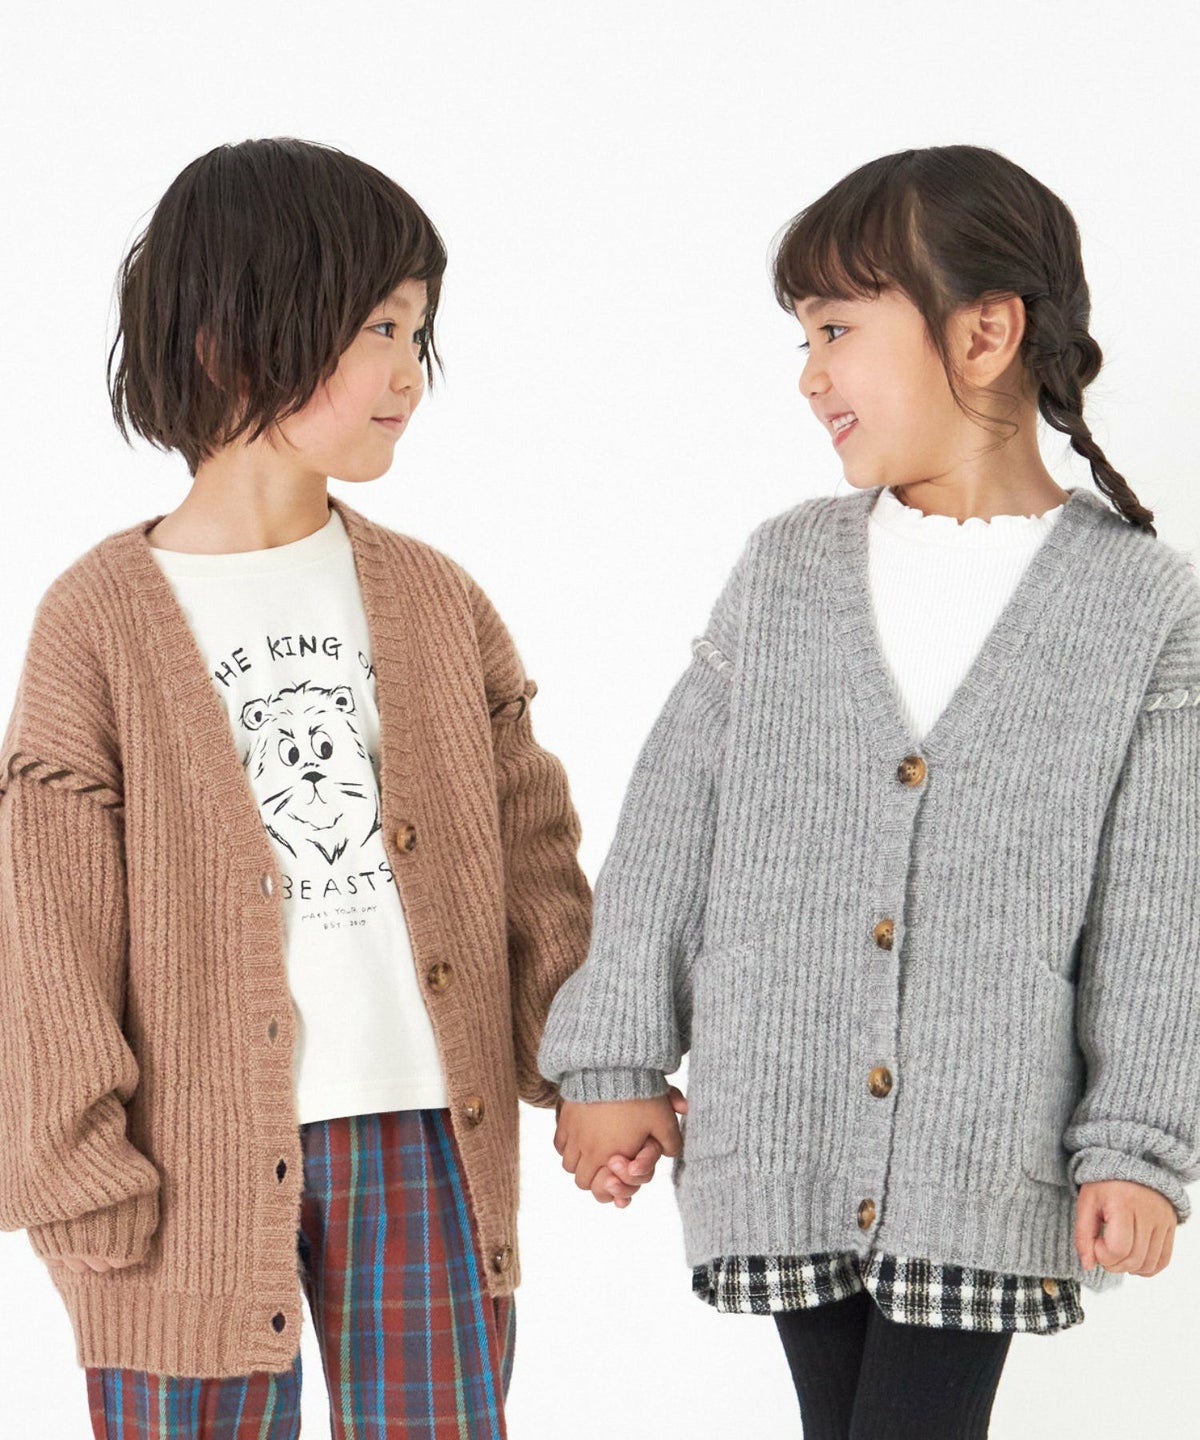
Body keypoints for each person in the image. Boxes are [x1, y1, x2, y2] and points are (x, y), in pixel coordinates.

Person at [538, 143, 1200, 1438]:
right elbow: (672, 823)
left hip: (982, 1147)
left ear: (985, 334)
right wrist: (612, 1057)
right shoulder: (786, 570)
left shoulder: (1139, 604)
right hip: (779, 1123)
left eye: (836, 328)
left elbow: (1159, 911)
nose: (810, 374)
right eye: (803, 337)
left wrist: (1137, 1145)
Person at [0, 136, 592, 1440]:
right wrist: (69, 1159)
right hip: (186, 1173)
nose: (410, 371)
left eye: (419, 333)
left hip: (427, 1131)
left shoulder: (433, 598)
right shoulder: (97, 623)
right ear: (230, 341)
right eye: (379, 328)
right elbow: (47, 931)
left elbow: (531, 848)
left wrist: (589, 1056)